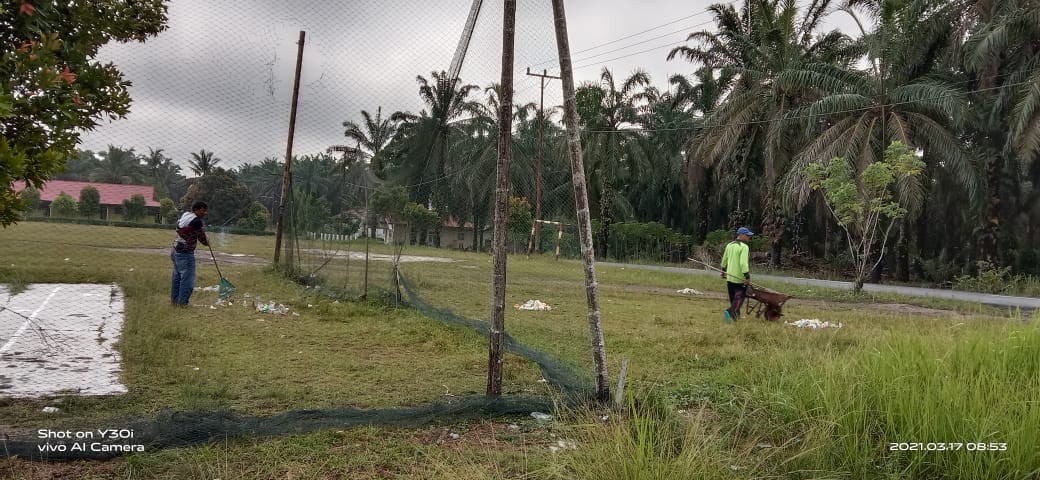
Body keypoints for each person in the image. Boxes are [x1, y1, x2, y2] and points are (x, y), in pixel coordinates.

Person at [171, 201, 209, 305]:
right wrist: (207, 240)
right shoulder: (196, 222)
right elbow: (203, 239)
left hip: (175, 251)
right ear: (196, 210)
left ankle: (175, 302)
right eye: (203, 210)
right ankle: (182, 304)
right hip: (185, 253)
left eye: (205, 211)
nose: (205, 213)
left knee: (177, 278)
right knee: (187, 280)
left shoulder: (185, 216)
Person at [720, 226, 753, 324]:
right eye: (747, 236)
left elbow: (724, 260)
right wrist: (747, 277)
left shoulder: (729, 245)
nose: (748, 238)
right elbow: (743, 263)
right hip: (739, 279)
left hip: (729, 278)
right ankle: (729, 312)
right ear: (741, 235)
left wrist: (723, 270)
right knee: (739, 299)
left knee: (733, 299)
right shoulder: (744, 247)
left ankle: (735, 318)